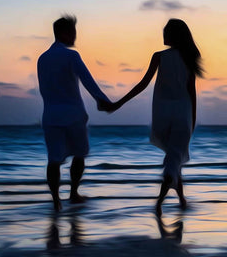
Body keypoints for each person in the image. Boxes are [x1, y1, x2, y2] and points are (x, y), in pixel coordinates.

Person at [103, 19, 203, 216]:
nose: (163, 35)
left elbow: (142, 85)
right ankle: (159, 203)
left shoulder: (159, 57)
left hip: (162, 116)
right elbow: (192, 92)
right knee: (174, 158)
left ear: (173, 35)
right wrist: (193, 119)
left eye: (166, 32)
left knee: (174, 157)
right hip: (183, 114)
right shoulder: (189, 57)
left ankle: (182, 200)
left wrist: (118, 104)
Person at [37, 15, 112, 211]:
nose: (75, 36)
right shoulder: (71, 56)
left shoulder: (42, 58)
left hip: (51, 115)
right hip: (73, 114)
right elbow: (88, 81)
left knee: (53, 159)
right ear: (64, 33)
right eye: (73, 32)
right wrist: (102, 101)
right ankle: (73, 193)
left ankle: (56, 201)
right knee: (79, 155)